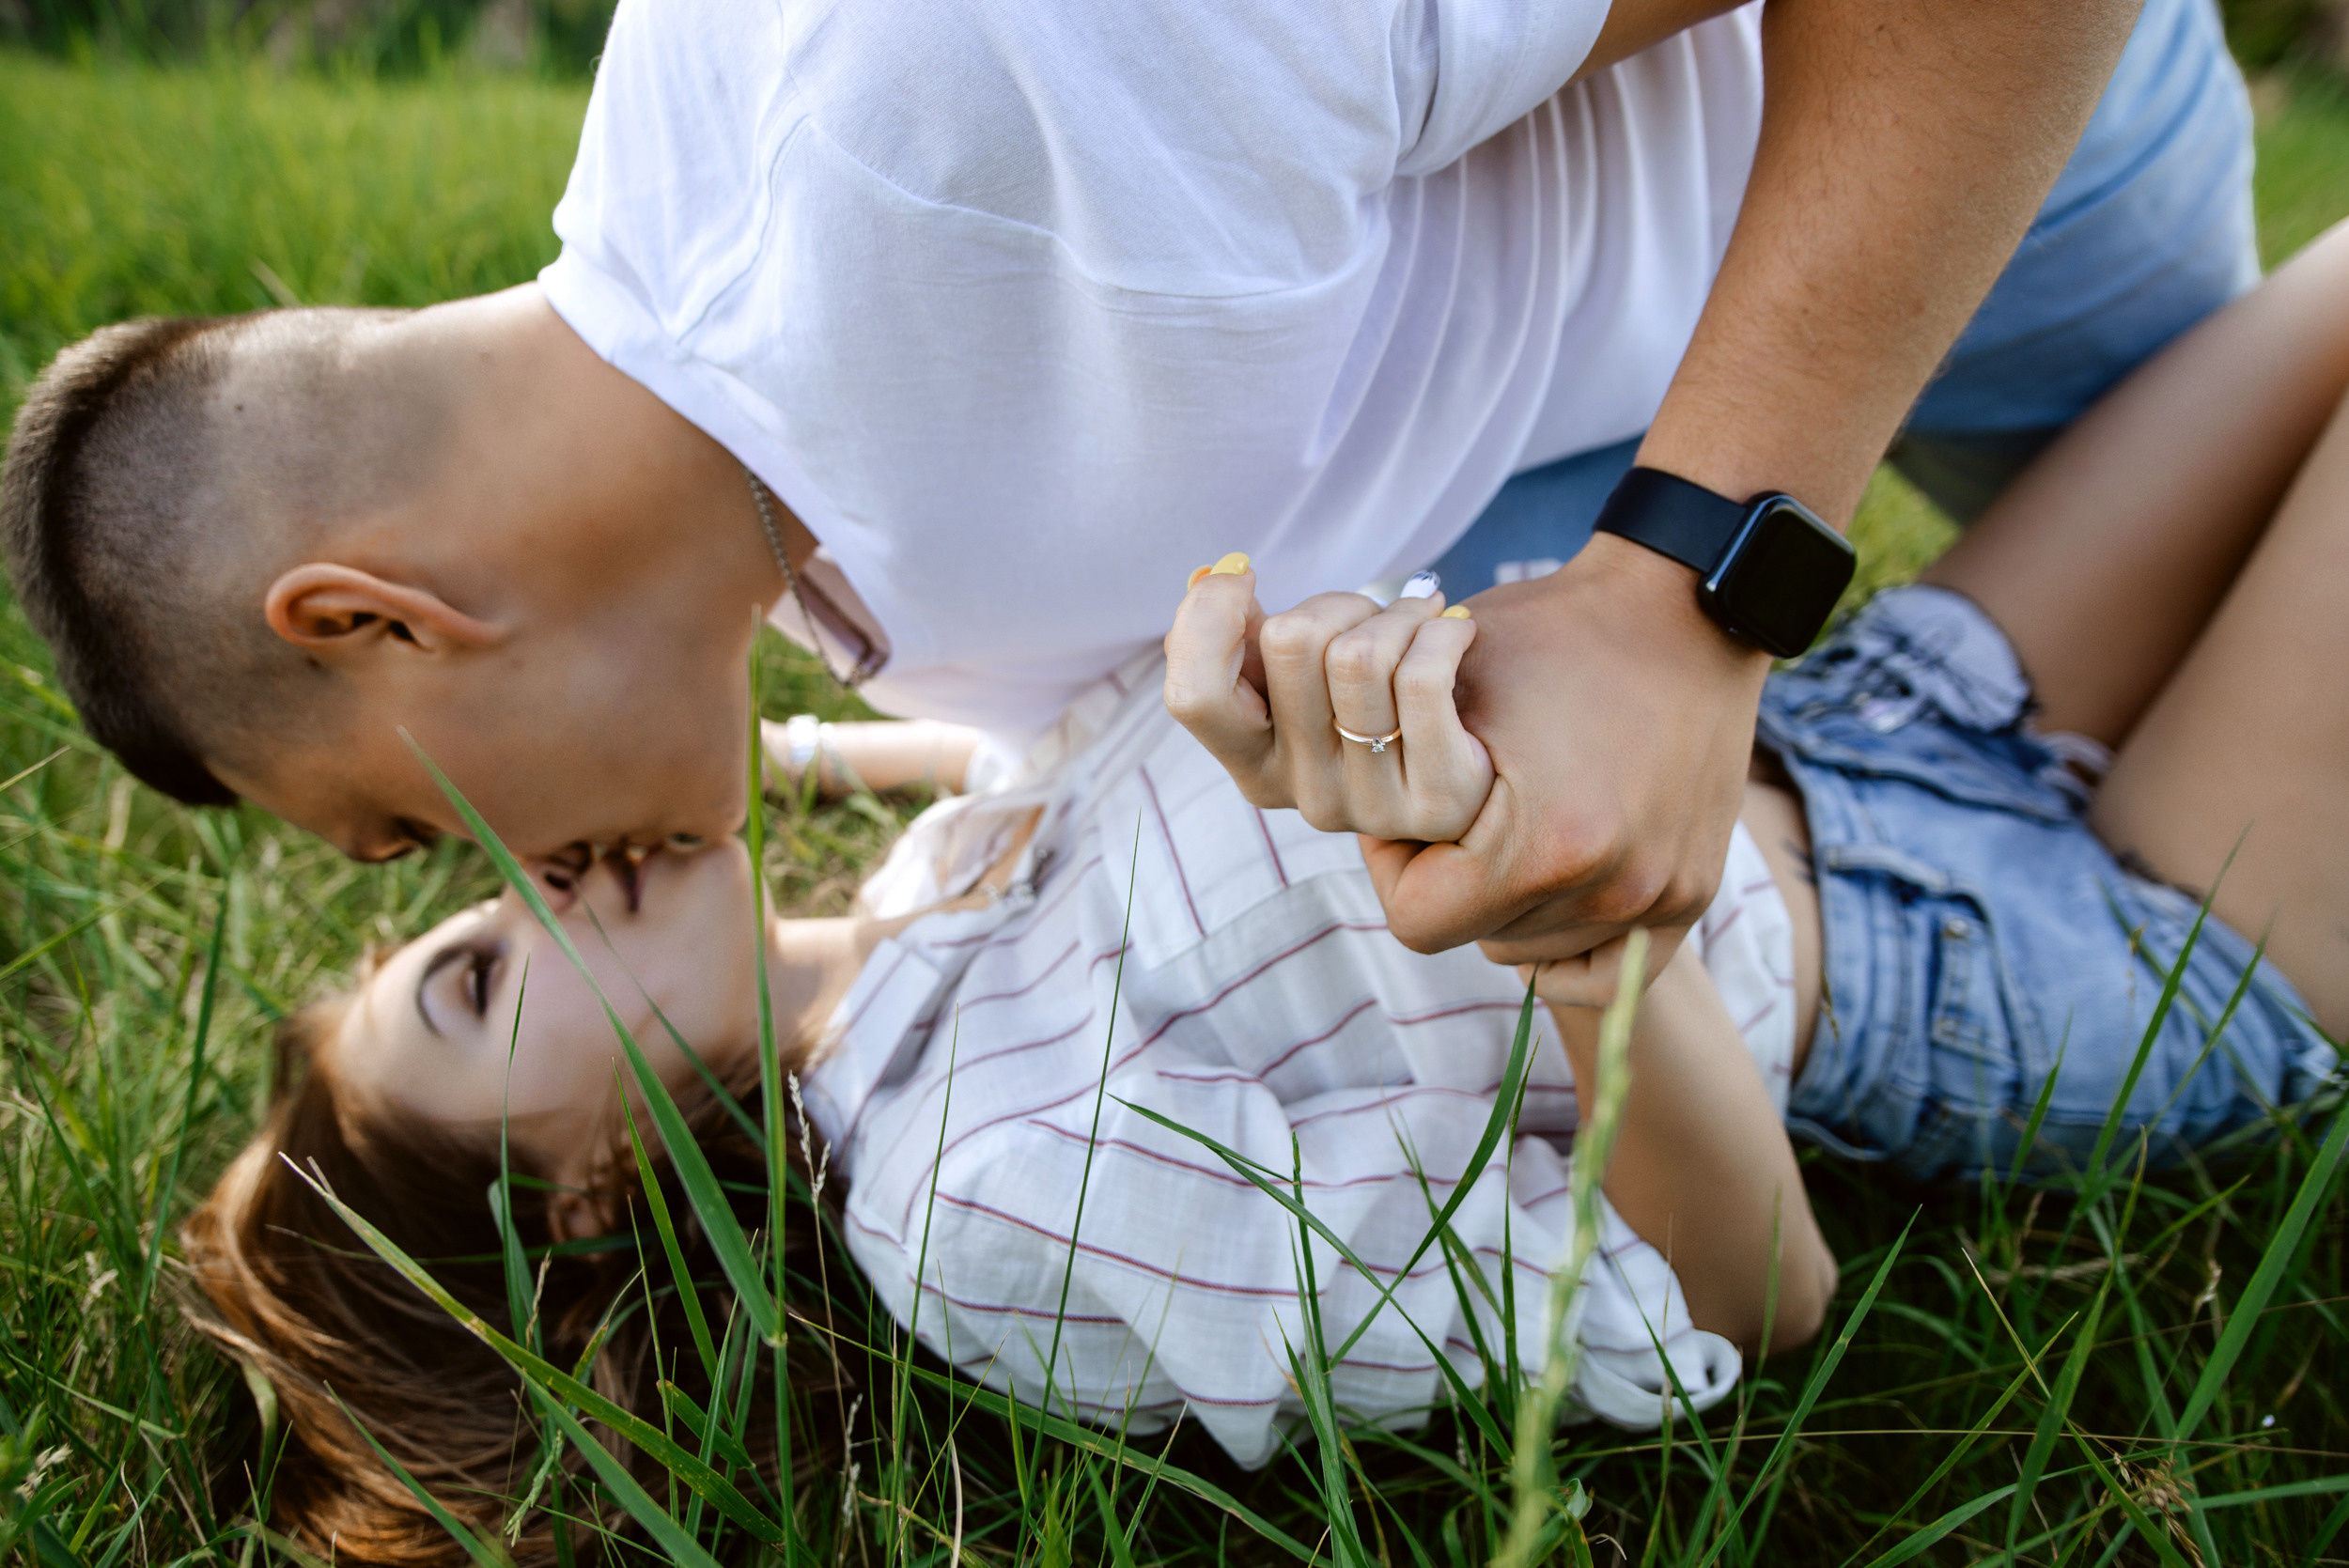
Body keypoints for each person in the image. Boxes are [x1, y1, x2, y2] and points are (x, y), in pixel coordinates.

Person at [0, 0, 2233, 979]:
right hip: (1558, 372)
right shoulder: (762, 545)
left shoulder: (998, 58)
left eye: (394, 832)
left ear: (366, 616)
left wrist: (1688, 592)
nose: (454, 887)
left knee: (2232, 771)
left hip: (1937, 151)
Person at [187, 681, 1831, 1560]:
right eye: (475, 984)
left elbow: (1079, 737)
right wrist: (1570, 902)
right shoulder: (987, 1195)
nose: (526, 874)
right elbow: (1725, 1293)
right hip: (1909, 952)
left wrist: (798, 753)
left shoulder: (917, 896)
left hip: (1770, 713)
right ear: (587, 1193)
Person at [1169, 217, 2349, 1179]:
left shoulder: (992, 793)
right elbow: (1755, 1296)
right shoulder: (1011, 1196)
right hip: (1978, 999)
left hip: (1843, 729)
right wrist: (1587, 950)